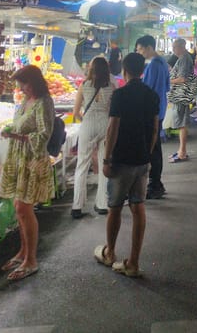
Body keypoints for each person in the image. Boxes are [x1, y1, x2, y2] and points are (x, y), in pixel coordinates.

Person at [94, 52, 159, 278]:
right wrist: (147, 153)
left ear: (124, 70)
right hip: (142, 160)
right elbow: (154, 128)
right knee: (138, 206)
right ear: (142, 70)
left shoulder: (120, 95)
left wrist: (107, 158)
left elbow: (113, 128)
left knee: (114, 207)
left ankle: (110, 252)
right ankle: (133, 262)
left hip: (121, 160)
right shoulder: (151, 95)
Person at [0, 65, 55, 281]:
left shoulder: (44, 102)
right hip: (20, 158)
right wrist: (11, 130)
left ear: (34, 82)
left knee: (24, 208)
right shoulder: (26, 101)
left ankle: (31, 260)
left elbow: (43, 135)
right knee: (18, 207)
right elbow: (21, 125)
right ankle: (23, 252)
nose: (21, 89)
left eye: (24, 84)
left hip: (32, 160)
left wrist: (17, 137)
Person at [71, 56, 115, 218]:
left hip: (88, 124)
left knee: (82, 164)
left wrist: (85, 120)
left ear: (91, 69)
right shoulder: (111, 87)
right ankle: (102, 204)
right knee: (104, 162)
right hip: (105, 124)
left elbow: (76, 113)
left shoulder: (84, 86)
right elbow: (113, 111)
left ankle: (77, 206)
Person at [135, 35, 170, 197]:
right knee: (156, 148)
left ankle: (155, 184)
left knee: (153, 149)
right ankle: (156, 183)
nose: (140, 53)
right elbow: (167, 86)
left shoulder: (153, 66)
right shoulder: (162, 62)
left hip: (152, 112)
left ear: (149, 47)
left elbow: (145, 90)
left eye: (141, 49)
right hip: (161, 107)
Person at [167, 37, 196, 163]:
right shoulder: (183, 58)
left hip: (181, 94)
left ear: (182, 47)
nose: (173, 49)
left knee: (182, 123)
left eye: (175, 47)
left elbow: (182, 78)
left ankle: (182, 152)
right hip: (180, 94)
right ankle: (181, 150)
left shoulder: (184, 58)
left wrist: (169, 81)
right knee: (180, 123)